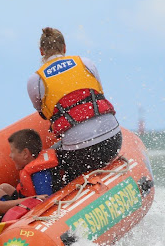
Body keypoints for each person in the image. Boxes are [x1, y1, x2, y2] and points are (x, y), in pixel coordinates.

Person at [27, 27, 122, 187]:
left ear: (41, 51)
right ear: (64, 48)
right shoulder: (86, 63)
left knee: (48, 158)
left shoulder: (35, 80)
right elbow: (98, 93)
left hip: (80, 154)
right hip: (113, 141)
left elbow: (44, 113)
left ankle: (55, 198)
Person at [8, 128, 57, 197]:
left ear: (25, 153)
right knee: (4, 187)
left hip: (31, 205)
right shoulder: (33, 168)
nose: (10, 155)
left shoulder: (39, 175)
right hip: (26, 196)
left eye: (12, 151)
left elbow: (46, 201)